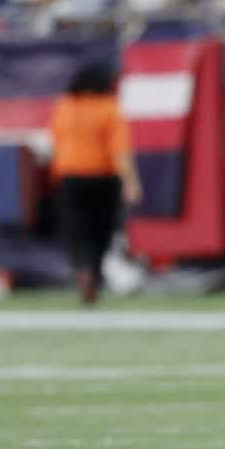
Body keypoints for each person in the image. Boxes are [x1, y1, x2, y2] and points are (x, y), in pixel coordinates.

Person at [49, 61, 142, 304]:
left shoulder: (65, 106)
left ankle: (83, 269)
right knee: (101, 230)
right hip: (103, 177)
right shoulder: (109, 109)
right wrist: (131, 181)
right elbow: (121, 150)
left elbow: (56, 140)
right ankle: (94, 271)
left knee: (76, 230)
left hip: (70, 176)